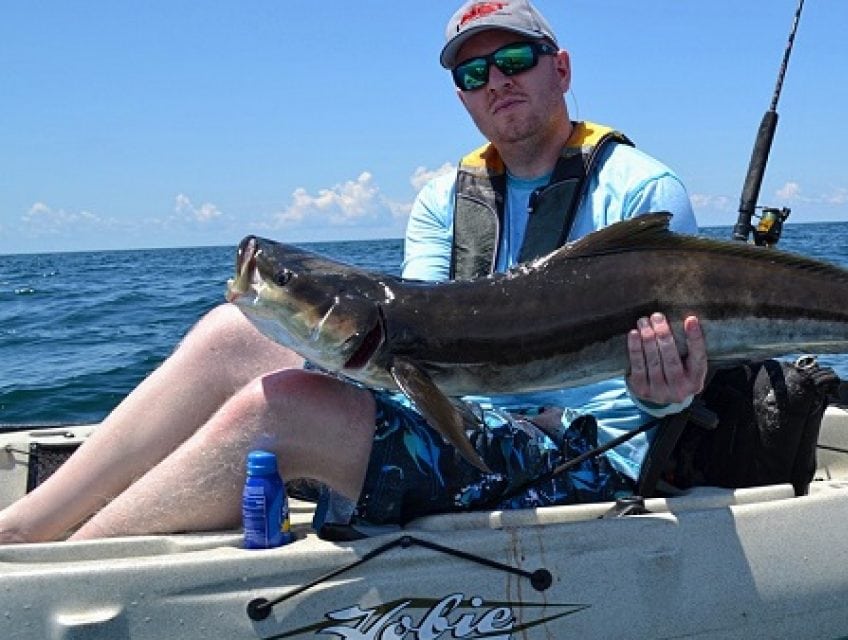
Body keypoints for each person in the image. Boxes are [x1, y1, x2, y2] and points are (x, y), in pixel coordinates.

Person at [0, 0, 705, 544]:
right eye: (472, 73)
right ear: (461, 95)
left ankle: (66, 578)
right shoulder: (444, 201)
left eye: (515, 58)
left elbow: (683, 371)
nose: (496, 81)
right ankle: (24, 533)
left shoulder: (642, 191)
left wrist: (672, 395)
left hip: (579, 458)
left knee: (278, 411)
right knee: (225, 333)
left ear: (562, 68)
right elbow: (413, 335)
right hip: (468, 417)